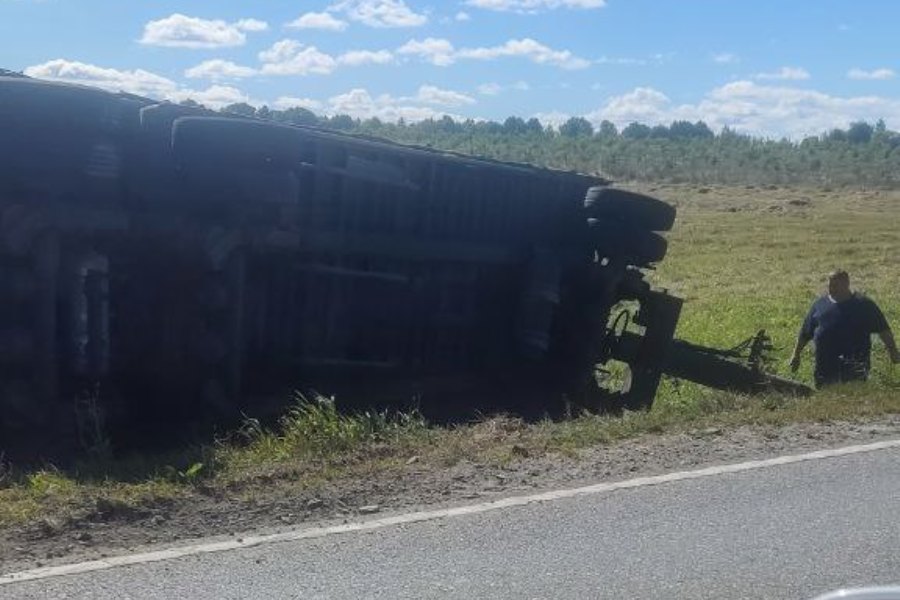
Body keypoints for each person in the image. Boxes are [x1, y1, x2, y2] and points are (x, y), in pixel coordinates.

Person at [789, 270, 899, 387]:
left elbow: (883, 329)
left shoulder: (864, 305)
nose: (831, 288)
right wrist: (796, 355)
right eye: (830, 285)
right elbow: (805, 333)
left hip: (854, 368)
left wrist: (893, 352)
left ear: (846, 284)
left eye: (835, 285)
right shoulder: (820, 305)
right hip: (824, 368)